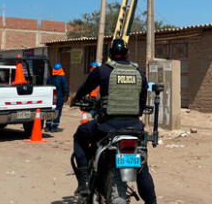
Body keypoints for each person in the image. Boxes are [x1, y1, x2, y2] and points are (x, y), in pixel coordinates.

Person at [71, 39, 157, 203]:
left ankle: (84, 184)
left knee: (80, 135)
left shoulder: (103, 70)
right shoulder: (139, 73)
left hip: (107, 127)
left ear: (110, 54)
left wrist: (75, 98)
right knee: (141, 167)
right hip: (134, 128)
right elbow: (140, 105)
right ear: (127, 54)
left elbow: (86, 87)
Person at [46, 63, 69, 132]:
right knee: (57, 111)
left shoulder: (50, 77)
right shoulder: (62, 77)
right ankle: (54, 126)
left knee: (50, 110)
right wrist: (66, 95)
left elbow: (47, 86)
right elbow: (65, 87)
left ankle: (48, 126)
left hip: (51, 97)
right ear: (60, 69)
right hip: (59, 97)